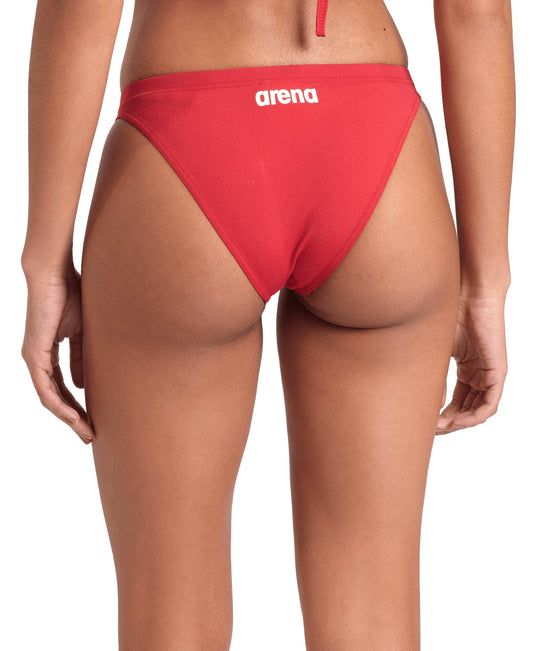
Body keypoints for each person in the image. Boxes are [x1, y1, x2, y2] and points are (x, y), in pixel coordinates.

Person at [20, 0, 514, 648]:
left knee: (170, 608)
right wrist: (485, 280)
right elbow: (478, 12)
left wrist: (45, 261)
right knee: (373, 609)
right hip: (372, 141)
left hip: (187, 136)